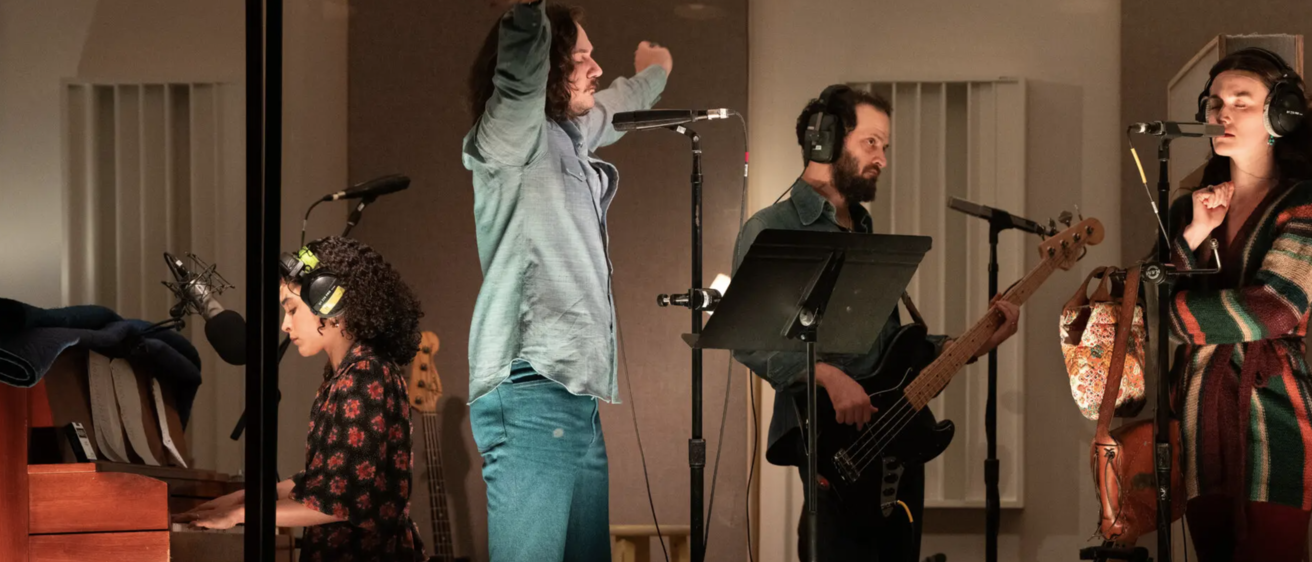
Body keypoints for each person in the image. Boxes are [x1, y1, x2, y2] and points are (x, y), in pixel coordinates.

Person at [731, 85, 1020, 562]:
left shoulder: (864, 231)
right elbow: (748, 338)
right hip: (832, 443)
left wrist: (975, 342)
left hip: (895, 438)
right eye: (871, 142)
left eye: (885, 147)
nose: (882, 158)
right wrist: (827, 374)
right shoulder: (771, 228)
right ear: (825, 139)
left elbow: (892, 347)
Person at [462, 1, 672, 560]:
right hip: (531, 390)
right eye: (581, 57)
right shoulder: (513, 134)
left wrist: (657, 71)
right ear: (547, 67)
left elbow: (616, 104)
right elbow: (517, 78)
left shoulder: (571, 134)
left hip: (574, 397)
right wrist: (530, 13)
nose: (595, 68)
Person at [174, 236, 426, 562]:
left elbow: (342, 500)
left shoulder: (366, 377)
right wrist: (236, 500)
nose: (285, 324)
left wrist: (240, 515)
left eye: (292, 309)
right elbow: (326, 481)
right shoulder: (349, 374)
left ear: (330, 302)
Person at [1167, 47, 1312, 561]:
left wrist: (1178, 319)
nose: (1222, 113)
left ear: (1281, 114)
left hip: (1276, 410)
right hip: (1197, 412)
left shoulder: (1304, 202)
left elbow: (1278, 307)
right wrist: (1192, 237)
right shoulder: (1190, 206)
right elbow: (1156, 291)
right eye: (1213, 103)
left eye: (1241, 101)